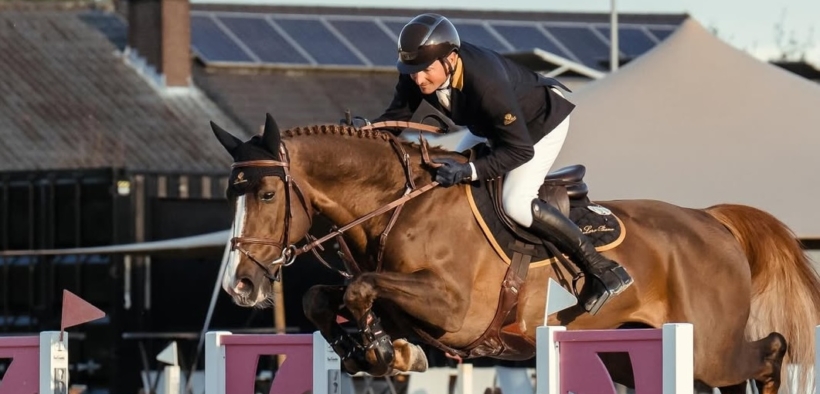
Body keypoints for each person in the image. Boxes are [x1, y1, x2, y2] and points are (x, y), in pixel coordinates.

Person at [371, 13, 632, 315]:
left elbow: (519, 150)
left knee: (516, 202)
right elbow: (396, 117)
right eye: (412, 72)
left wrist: (469, 171)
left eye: (426, 71)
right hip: (492, 126)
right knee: (447, 167)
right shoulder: (417, 67)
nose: (418, 79)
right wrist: (361, 135)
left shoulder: (485, 81)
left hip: (539, 124)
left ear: (451, 59)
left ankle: (602, 269)